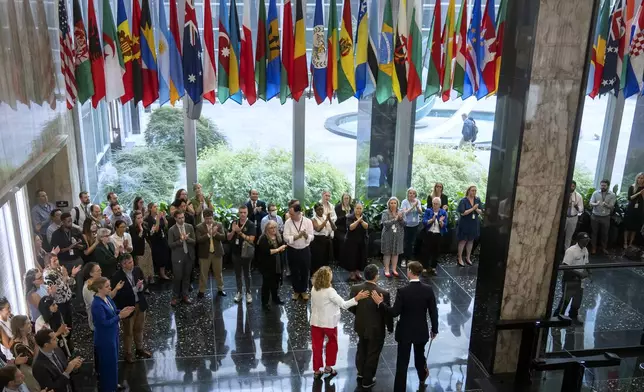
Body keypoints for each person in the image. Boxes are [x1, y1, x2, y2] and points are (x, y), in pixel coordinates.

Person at [372, 261, 439, 392]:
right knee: (420, 357)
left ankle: (399, 389)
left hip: (405, 332)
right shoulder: (428, 290)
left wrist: (380, 303)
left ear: (410, 271)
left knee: (402, 363)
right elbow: (433, 311)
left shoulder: (403, 292)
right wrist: (434, 329)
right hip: (421, 331)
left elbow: (394, 312)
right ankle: (422, 376)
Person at [309, 267, 368, 379]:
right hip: (329, 323)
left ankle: (316, 370)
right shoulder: (330, 292)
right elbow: (344, 305)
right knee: (332, 344)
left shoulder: (314, 288)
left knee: (316, 347)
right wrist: (356, 298)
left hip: (315, 322)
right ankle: (328, 367)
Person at [349, 264, 393, 389]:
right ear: (376, 276)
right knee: (373, 353)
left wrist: (359, 315)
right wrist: (390, 327)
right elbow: (387, 313)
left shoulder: (355, 288)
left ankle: (361, 373)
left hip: (361, 326)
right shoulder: (383, 293)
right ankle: (367, 380)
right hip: (376, 329)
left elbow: (351, 307)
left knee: (361, 348)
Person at [90, 277, 133, 392]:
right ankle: (108, 388)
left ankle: (113, 384)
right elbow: (103, 323)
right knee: (107, 364)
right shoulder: (96, 304)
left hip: (112, 334)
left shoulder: (107, 298)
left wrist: (122, 311)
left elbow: (112, 312)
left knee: (113, 362)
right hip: (105, 338)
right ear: (99, 289)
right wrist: (119, 317)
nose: (110, 288)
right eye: (107, 286)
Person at [110, 255, 152, 363]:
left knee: (139, 328)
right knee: (128, 331)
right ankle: (128, 353)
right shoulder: (116, 276)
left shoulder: (137, 270)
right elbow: (118, 294)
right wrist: (134, 289)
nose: (132, 264)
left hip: (140, 304)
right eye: (128, 262)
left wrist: (141, 287)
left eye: (132, 261)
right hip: (128, 306)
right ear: (123, 264)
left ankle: (139, 349)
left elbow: (145, 283)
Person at [42, 255, 80, 352]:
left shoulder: (59, 270)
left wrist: (72, 275)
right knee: (62, 326)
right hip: (59, 305)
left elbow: (71, 283)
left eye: (57, 259)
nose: (57, 262)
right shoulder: (48, 275)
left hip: (67, 301)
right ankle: (64, 350)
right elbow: (59, 289)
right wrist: (64, 276)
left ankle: (69, 345)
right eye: (54, 261)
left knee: (69, 324)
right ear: (48, 264)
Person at [554, 232, 591, 325]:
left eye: (588, 240)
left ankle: (573, 316)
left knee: (577, 300)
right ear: (579, 240)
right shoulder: (571, 251)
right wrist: (578, 274)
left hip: (580, 281)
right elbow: (565, 266)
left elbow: (586, 263)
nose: (587, 242)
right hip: (570, 280)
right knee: (565, 300)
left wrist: (589, 272)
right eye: (585, 240)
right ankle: (558, 316)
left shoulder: (585, 250)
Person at [49, 213, 85, 306]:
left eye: (71, 221)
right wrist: (69, 248)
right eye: (68, 221)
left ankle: (80, 302)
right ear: (62, 222)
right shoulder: (56, 234)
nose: (70, 223)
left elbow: (84, 246)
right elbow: (55, 250)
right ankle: (68, 301)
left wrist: (78, 245)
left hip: (76, 260)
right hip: (63, 262)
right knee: (66, 282)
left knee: (79, 281)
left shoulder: (76, 231)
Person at [283, 200, 314, 301]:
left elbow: (312, 237)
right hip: (292, 250)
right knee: (294, 271)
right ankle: (296, 291)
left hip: (305, 250)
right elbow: (285, 237)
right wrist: (296, 237)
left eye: (291, 214)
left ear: (298, 213)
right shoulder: (288, 222)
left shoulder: (308, 222)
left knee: (305, 271)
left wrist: (305, 235)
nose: (289, 215)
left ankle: (304, 291)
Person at [227, 205, 256, 304]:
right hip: (236, 253)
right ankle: (239, 292)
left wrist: (240, 233)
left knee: (247, 274)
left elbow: (252, 240)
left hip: (246, 253)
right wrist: (233, 231)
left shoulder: (251, 224)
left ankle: (248, 292)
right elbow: (228, 238)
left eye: (244, 212)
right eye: (241, 212)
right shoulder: (234, 223)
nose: (243, 214)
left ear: (247, 213)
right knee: (238, 274)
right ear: (238, 213)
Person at [81, 263, 123, 332]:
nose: (101, 272)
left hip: (109, 317)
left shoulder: (100, 283)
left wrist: (116, 289)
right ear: (91, 274)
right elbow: (96, 305)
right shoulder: (87, 288)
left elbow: (109, 297)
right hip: (100, 322)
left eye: (100, 270)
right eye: (98, 271)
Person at [195, 209, 227, 299]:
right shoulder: (199, 227)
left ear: (213, 217)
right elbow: (198, 240)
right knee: (203, 273)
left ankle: (220, 289)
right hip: (205, 254)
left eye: (210, 218)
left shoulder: (219, 225)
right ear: (203, 218)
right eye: (206, 218)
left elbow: (223, 237)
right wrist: (209, 234)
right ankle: (201, 291)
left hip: (217, 253)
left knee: (218, 272)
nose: (209, 220)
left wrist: (215, 233)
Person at [256, 220, 287, 310]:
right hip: (267, 265)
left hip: (277, 264)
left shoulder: (278, 236)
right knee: (267, 284)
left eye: (275, 227)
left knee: (276, 282)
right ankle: (265, 303)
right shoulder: (263, 238)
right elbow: (267, 252)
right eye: (271, 228)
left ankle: (275, 298)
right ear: (266, 229)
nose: (274, 229)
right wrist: (278, 249)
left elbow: (281, 246)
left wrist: (281, 249)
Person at [168, 211, 196, 306]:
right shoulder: (172, 230)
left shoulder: (189, 227)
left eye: (183, 217)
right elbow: (170, 245)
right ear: (175, 218)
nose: (181, 219)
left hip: (188, 256)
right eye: (179, 218)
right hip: (177, 257)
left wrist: (187, 239)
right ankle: (175, 297)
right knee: (178, 277)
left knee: (187, 277)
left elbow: (194, 241)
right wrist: (180, 240)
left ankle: (185, 295)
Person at [9, 316, 40, 391]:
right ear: (21, 327)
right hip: (32, 378)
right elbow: (33, 363)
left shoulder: (29, 337)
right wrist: (37, 345)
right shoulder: (18, 347)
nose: (31, 325)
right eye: (28, 323)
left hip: (39, 373)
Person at [456, 185, 483, 267]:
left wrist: (477, 209)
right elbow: (463, 213)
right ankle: (459, 257)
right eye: (472, 190)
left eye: (475, 190)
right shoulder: (463, 201)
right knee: (463, 240)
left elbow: (481, 211)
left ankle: (468, 257)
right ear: (468, 191)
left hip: (474, 223)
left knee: (471, 240)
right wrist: (473, 209)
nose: (474, 192)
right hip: (465, 222)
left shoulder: (477, 200)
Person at [422, 197, 449, 276]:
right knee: (426, 251)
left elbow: (445, 225)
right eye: (434, 203)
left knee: (436, 252)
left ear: (440, 205)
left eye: (437, 204)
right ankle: (425, 268)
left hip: (438, 234)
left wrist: (441, 222)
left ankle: (433, 268)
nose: (435, 205)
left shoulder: (443, 212)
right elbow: (424, 221)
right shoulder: (428, 211)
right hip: (429, 233)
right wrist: (431, 220)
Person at [589, 179, 616, 254]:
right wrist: (596, 204)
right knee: (594, 233)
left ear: (608, 186)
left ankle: (604, 248)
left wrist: (606, 205)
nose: (602, 187)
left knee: (605, 233)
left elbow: (612, 206)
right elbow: (591, 203)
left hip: (605, 217)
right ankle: (593, 248)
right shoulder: (595, 193)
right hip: (595, 216)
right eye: (601, 185)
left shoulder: (612, 194)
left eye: (604, 185)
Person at [343, 203, 368, 281]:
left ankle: (357, 272)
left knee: (360, 257)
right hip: (351, 241)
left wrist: (361, 221)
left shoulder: (364, 217)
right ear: (354, 209)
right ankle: (352, 273)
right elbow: (350, 228)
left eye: (360, 208)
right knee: (352, 257)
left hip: (361, 240)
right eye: (357, 208)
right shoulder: (350, 217)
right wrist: (358, 221)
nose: (358, 210)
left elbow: (366, 226)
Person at [145, 203, 170, 281]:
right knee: (159, 257)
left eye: (157, 206)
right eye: (155, 207)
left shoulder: (159, 216)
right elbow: (155, 230)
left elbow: (166, 225)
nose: (157, 208)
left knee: (165, 255)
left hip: (163, 238)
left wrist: (164, 217)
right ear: (150, 209)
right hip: (156, 240)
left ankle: (164, 272)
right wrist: (158, 219)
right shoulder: (148, 219)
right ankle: (160, 274)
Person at [129, 211, 154, 291]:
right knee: (141, 266)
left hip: (147, 246)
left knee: (149, 263)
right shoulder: (132, 227)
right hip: (139, 249)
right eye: (138, 218)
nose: (140, 220)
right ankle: (144, 284)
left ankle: (150, 278)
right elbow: (135, 240)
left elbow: (148, 236)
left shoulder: (145, 224)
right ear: (134, 219)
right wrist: (140, 231)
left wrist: (151, 231)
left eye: (141, 217)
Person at [381, 197, 405, 278]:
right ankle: (386, 269)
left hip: (398, 235)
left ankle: (394, 269)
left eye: (395, 203)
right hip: (388, 235)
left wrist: (401, 219)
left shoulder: (401, 212)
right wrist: (395, 219)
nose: (393, 204)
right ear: (389, 204)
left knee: (396, 253)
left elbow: (405, 224)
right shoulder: (385, 212)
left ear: (397, 204)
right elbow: (385, 223)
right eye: (391, 203)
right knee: (387, 252)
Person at [311, 203, 336, 274]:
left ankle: (325, 276)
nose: (321, 211)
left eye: (322, 209)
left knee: (326, 260)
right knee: (318, 260)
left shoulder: (326, 217)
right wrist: (325, 221)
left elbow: (334, 228)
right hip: (318, 241)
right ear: (315, 211)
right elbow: (318, 229)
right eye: (318, 209)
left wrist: (330, 220)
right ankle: (317, 276)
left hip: (327, 240)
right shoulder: (313, 219)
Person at [401, 188, 423, 266]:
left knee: (412, 242)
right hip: (406, 225)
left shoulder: (418, 201)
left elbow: (420, 212)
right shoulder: (404, 202)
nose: (412, 195)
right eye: (410, 193)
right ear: (408, 194)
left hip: (415, 225)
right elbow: (404, 213)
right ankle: (403, 259)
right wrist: (412, 207)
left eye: (413, 193)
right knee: (406, 242)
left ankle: (409, 258)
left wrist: (417, 206)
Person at [624, 173, 644, 249]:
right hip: (631, 208)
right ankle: (625, 242)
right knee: (627, 227)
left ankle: (630, 243)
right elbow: (629, 198)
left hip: (640, 209)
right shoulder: (632, 187)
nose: (640, 179)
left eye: (642, 178)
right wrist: (639, 193)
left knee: (635, 228)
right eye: (639, 178)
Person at [334, 193, 353, 261]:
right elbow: (335, 221)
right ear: (342, 199)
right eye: (345, 198)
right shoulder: (338, 207)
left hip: (350, 229)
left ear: (349, 199)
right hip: (339, 229)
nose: (346, 200)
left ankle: (351, 258)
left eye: (347, 198)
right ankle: (342, 260)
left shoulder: (352, 207)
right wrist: (344, 217)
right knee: (344, 239)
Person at [565, 181, 584, 249]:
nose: (571, 188)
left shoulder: (578, 196)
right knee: (559, 235)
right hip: (564, 217)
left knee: (569, 236)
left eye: (573, 186)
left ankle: (566, 252)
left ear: (575, 187)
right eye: (570, 186)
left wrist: (577, 207)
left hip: (573, 218)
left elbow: (581, 209)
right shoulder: (564, 193)